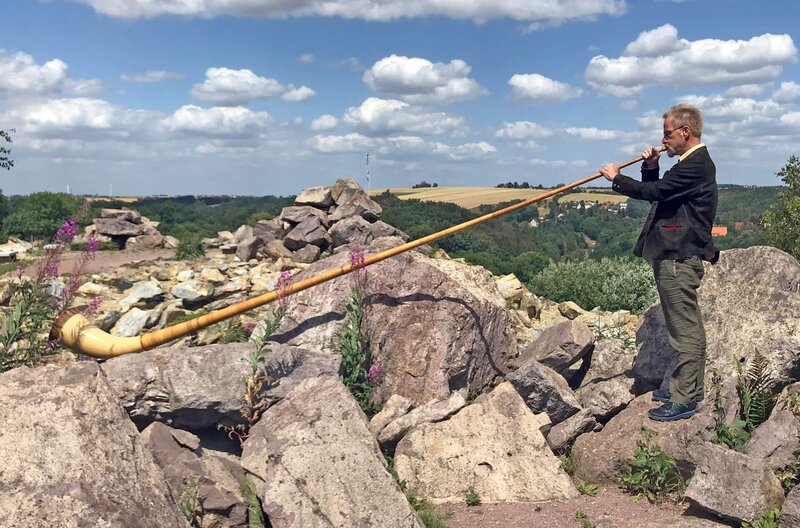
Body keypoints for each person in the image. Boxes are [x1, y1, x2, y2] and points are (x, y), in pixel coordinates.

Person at [599, 104, 718, 422]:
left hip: (678, 258)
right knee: (684, 328)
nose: (664, 140)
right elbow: (662, 194)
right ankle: (688, 390)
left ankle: (684, 399)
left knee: (684, 331)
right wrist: (651, 166)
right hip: (674, 256)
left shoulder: (695, 164)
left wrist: (617, 178)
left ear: (685, 132)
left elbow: (657, 191)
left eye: (667, 134)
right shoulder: (690, 164)